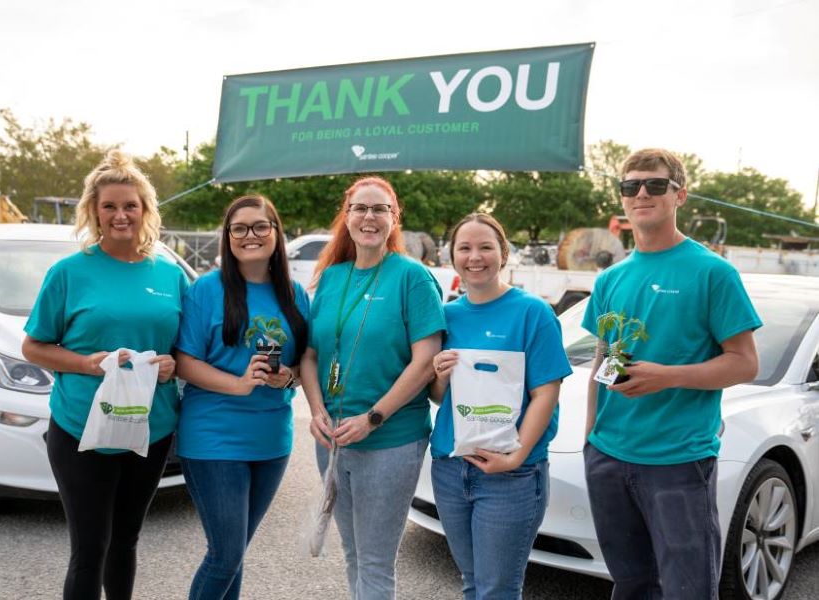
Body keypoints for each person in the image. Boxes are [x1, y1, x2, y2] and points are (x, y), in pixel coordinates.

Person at [583, 148, 762, 599]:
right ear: (622, 199)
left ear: (679, 194)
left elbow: (745, 361)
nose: (641, 193)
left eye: (654, 184)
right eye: (630, 186)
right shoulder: (611, 279)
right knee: (631, 584)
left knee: (688, 590)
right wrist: (591, 438)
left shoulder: (712, 272)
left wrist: (668, 376)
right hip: (608, 457)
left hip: (677, 462)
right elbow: (603, 361)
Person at [22, 150, 188, 600]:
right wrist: (84, 363)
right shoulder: (69, 273)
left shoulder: (170, 276)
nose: (121, 215)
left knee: (126, 542)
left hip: (150, 431)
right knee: (90, 548)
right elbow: (32, 346)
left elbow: (188, 351)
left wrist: (175, 366)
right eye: (110, 206)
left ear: (145, 210)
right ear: (94, 211)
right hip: (81, 430)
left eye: (130, 205)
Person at [300, 176, 445, 599]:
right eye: (360, 208)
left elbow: (425, 362)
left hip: (390, 440)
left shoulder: (411, 278)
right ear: (346, 218)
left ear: (394, 218)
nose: (369, 216)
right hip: (332, 438)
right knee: (353, 554)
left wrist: (373, 418)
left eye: (379, 209)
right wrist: (317, 411)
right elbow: (309, 354)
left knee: (376, 563)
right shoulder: (331, 278)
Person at [429, 213, 571, 599]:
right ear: (452, 255)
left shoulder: (533, 313)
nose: (475, 257)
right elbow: (441, 397)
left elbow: (546, 393)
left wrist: (516, 457)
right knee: (473, 584)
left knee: (497, 590)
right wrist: (439, 374)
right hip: (451, 468)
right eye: (465, 248)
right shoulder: (447, 315)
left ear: (504, 253)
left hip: (510, 475)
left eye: (485, 247)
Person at [174, 195, 309, 600]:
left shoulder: (295, 294)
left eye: (260, 226)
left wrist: (289, 377)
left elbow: (306, 368)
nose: (250, 235)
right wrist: (238, 383)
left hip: (271, 440)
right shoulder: (205, 290)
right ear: (228, 237)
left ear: (276, 233)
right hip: (214, 437)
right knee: (225, 555)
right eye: (239, 228)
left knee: (234, 555)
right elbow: (183, 361)